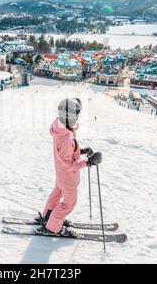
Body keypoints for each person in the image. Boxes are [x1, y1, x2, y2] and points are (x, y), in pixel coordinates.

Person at [38, 98, 102, 237]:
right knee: (69, 204)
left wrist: (81, 151)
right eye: (76, 115)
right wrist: (88, 162)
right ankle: (52, 227)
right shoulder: (66, 137)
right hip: (68, 177)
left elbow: (66, 154)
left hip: (61, 175)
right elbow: (68, 164)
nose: (77, 118)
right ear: (69, 117)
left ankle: (48, 217)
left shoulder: (60, 128)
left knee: (56, 195)